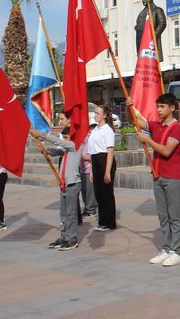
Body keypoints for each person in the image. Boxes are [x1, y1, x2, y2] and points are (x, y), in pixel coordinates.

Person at [129, 93, 180, 267]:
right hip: (158, 176)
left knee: (174, 215)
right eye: (158, 106)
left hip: (173, 177)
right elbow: (135, 122)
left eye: (162, 107)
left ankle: (176, 251)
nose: (159, 110)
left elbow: (167, 151)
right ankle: (166, 248)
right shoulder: (156, 125)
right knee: (163, 216)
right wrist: (128, 107)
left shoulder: (176, 128)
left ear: (172, 108)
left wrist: (148, 140)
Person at [32, 112, 82, 251]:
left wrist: (43, 136)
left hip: (73, 184)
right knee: (64, 214)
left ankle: (72, 239)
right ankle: (64, 236)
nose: (64, 141)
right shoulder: (67, 150)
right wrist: (46, 150)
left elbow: (61, 143)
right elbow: (58, 150)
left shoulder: (75, 145)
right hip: (64, 184)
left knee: (71, 214)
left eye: (66, 138)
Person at [85, 103, 117, 231]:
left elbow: (110, 151)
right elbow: (92, 150)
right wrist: (93, 170)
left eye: (98, 113)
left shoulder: (107, 130)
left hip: (105, 160)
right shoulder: (95, 129)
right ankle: (102, 221)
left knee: (106, 193)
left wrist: (107, 172)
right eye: (95, 113)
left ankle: (109, 223)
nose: (95, 115)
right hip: (96, 160)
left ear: (104, 115)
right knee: (98, 193)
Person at [78, 129, 97, 218]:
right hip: (83, 169)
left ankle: (91, 210)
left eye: (91, 132)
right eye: (88, 132)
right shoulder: (87, 141)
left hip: (90, 170)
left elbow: (93, 157)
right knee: (84, 191)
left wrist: (82, 157)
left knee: (90, 192)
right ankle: (87, 208)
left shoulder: (94, 143)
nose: (89, 134)